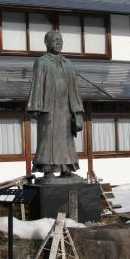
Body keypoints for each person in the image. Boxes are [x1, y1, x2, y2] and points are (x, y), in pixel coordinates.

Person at [27, 30, 84, 179]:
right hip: (49, 109)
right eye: (54, 40)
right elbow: (37, 85)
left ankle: (66, 167)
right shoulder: (42, 62)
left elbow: (75, 89)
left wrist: (77, 112)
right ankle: (48, 168)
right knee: (48, 138)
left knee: (66, 139)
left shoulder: (68, 64)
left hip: (66, 109)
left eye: (60, 40)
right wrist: (35, 106)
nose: (57, 43)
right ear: (46, 43)